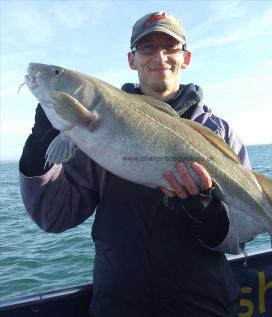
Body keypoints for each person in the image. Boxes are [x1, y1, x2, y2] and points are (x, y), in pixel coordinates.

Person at [19, 11, 251, 317]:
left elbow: (244, 230)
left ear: (186, 58)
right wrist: (38, 151)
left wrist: (210, 219)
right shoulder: (93, 132)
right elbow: (54, 215)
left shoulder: (219, 132)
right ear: (132, 59)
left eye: (170, 47)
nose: (160, 56)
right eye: (148, 48)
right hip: (119, 306)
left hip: (207, 306)